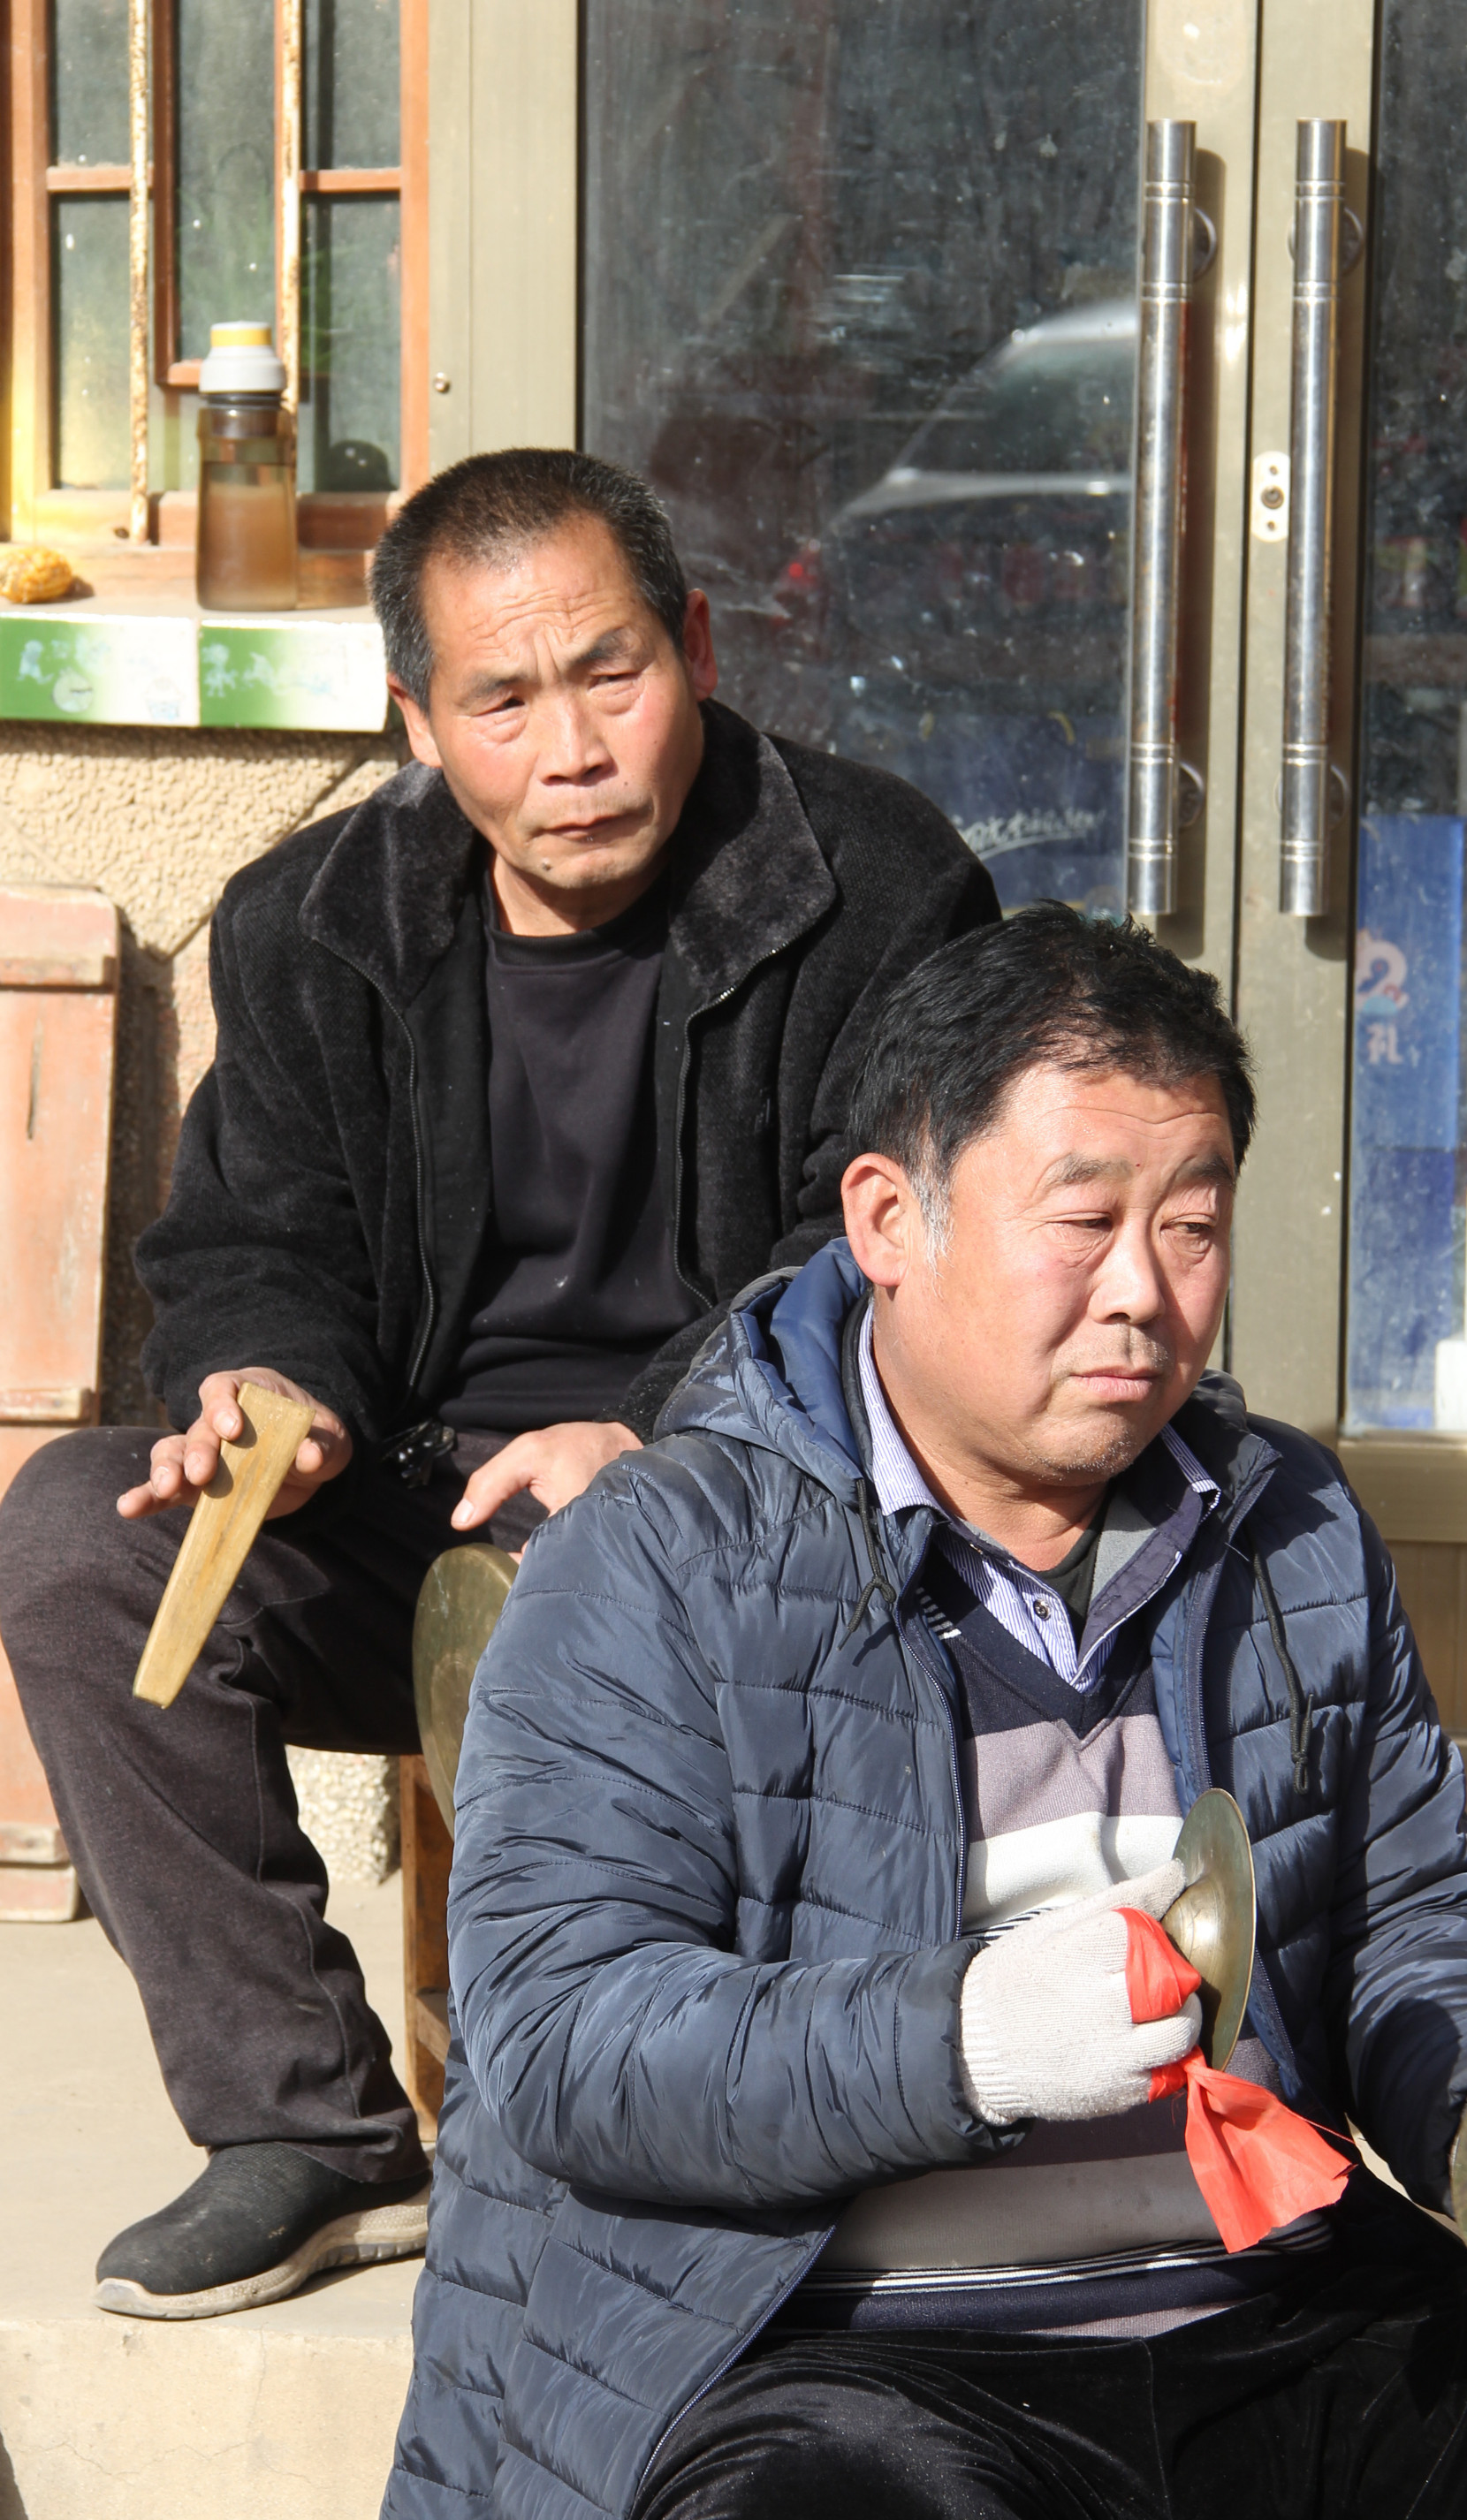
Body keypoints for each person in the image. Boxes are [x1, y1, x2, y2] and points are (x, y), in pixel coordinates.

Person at [382, 904, 1467, 2520]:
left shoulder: (1289, 1521)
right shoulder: (661, 1557)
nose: (1143, 1292)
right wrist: (977, 2039)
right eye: (1082, 1222)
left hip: (1283, 2316)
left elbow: (1414, 1912)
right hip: (855, 2360)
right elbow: (567, 2043)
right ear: (888, 1219)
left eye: (1193, 1226)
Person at [0, 447, 999, 2323]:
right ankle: (310, 2132)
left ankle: (636, 2139)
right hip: (414, 1503)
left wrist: (670, 1432)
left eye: (613, 674)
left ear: (697, 650)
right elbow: (251, 1235)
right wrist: (266, 1390)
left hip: (743, 1511)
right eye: (504, 701)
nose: (575, 750)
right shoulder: (316, 920)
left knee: (618, 1568)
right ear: (419, 721)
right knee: (74, 1545)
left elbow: (895, 1253)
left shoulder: (879, 888)